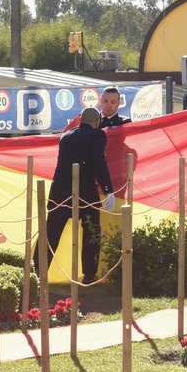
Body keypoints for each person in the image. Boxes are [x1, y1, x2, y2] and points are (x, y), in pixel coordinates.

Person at [43, 107, 117, 282]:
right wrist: (108, 190)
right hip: (85, 191)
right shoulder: (97, 135)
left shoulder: (65, 136)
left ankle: (36, 271)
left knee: (51, 233)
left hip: (60, 191)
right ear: (97, 122)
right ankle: (89, 275)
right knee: (92, 230)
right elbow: (99, 162)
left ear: (80, 121)